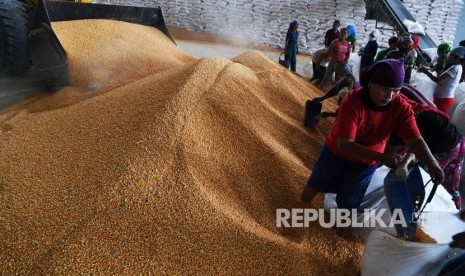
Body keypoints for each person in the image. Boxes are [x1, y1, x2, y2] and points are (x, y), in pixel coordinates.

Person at [301, 59, 444, 216]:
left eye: (396, 90)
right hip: (336, 152)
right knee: (318, 182)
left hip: (366, 161)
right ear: (370, 84)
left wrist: (432, 162)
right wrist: (383, 157)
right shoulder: (353, 101)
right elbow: (345, 144)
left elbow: (415, 140)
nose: (390, 96)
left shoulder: (401, 107)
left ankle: (342, 230)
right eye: (384, 89)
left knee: (350, 201)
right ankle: (300, 208)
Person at [387, 98, 465, 209]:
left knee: (425, 180)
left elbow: (393, 153)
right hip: (459, 142)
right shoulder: (415, 107)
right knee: (451, 184)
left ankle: (424, 211)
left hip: (443, 150)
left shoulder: (403, 120)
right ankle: (456, 210)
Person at [418, 46, 464, 113]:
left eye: (451, 55)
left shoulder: (455, 68)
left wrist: (426, 72)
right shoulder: (455, 67)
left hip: (443, 100)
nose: (449, 57)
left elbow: (438, 80)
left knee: (437, 118)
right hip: (441, 99)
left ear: (458, 58)